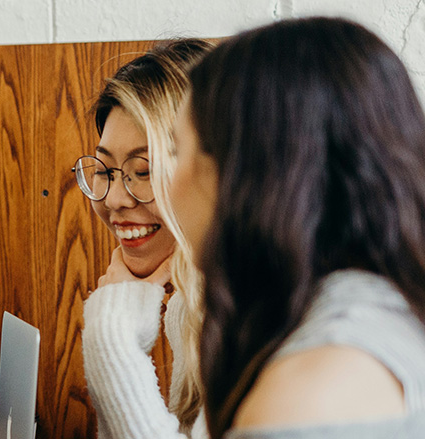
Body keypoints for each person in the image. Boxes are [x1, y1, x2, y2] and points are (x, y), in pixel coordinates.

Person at [172, 17, 425, 439]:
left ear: (243, 175)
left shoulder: (309, 392)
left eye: (176, 150)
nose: (169, 181)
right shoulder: (387, 313)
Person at [76, 39, 212, 439]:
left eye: (144, 169)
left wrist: (111, 336)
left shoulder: (261, 312)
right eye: (105, 169)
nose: (116, 200)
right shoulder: (190, 304)